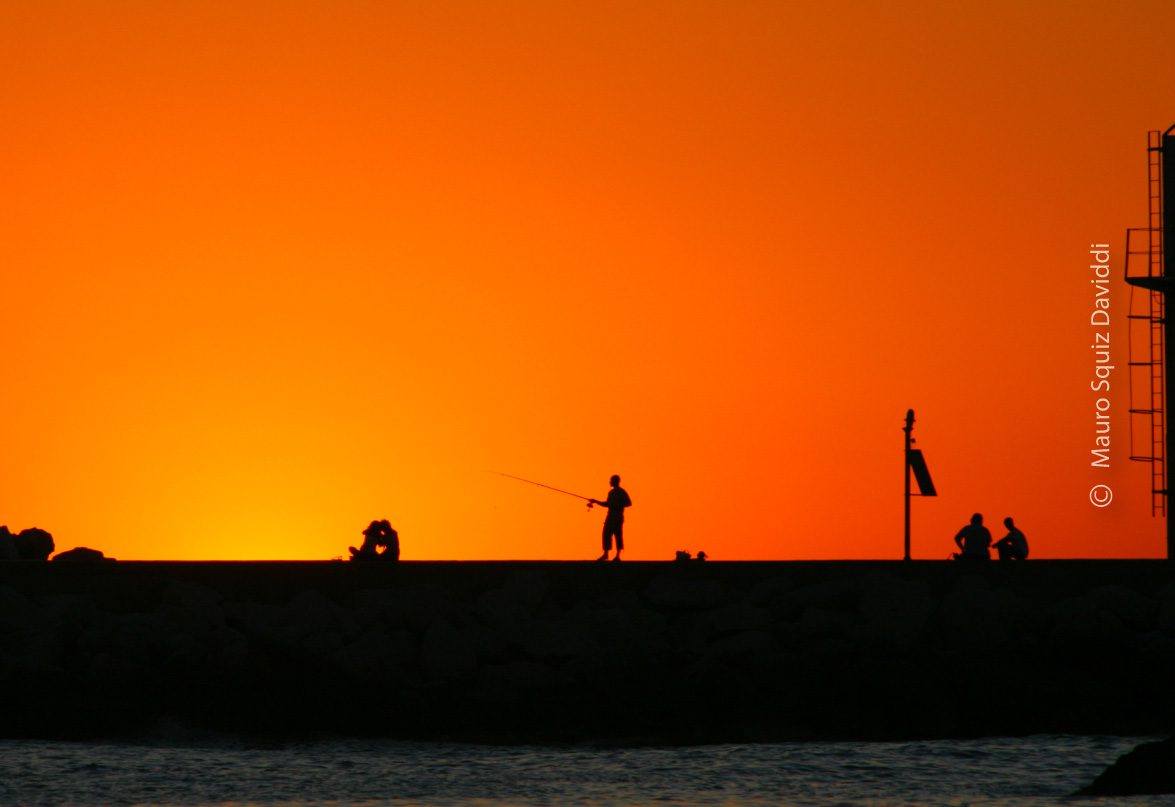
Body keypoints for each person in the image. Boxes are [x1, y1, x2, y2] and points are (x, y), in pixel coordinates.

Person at [589, 474, 632, 561]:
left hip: (618, 517)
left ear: (615, 481)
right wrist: (595, 501)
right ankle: (606, 554)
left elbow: (629, 503)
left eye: (611, 480)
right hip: (610, 516)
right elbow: (607, 504)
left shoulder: (622, 492)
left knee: (618, 536)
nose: (610, 482)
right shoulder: (611, 493)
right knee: (606, 534)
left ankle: (617, 556)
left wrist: (617, 505)